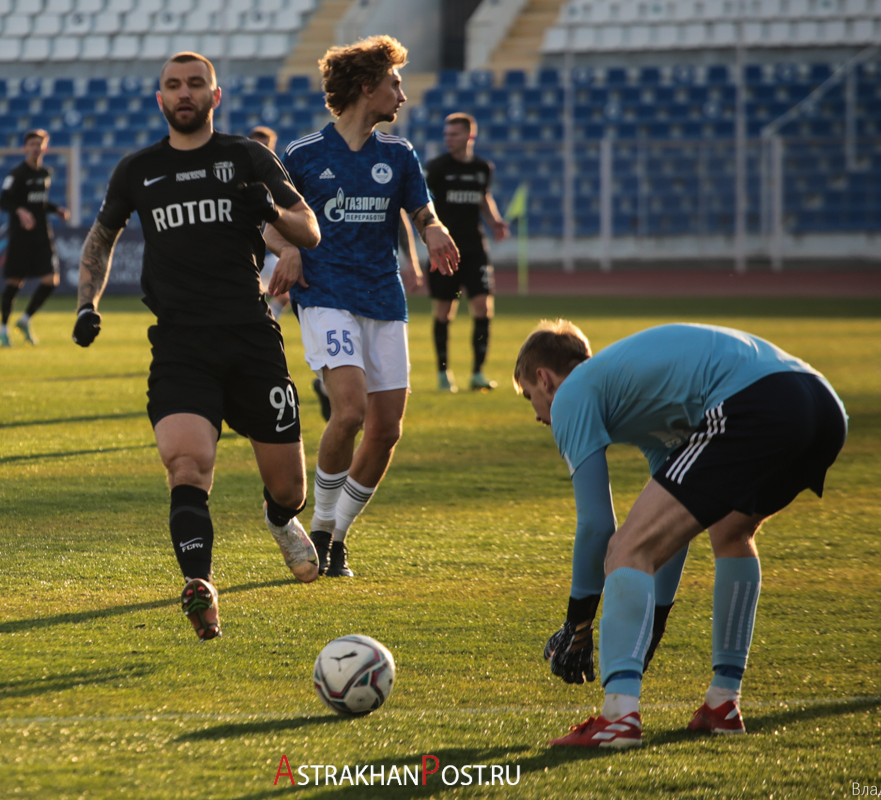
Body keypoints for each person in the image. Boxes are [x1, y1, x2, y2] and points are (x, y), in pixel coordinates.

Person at [71, 52, 323, 642]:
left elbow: (308, 229)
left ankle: (279, 519)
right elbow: (101, 238)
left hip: (251, 340)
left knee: (290, 487)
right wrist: (88, 303)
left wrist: (270, 209)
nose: (183, 93)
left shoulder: (246, 157)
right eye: (172, 85)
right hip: (181, 345)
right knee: (186, 464)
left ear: (215, 96)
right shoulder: (138, 169)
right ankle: (200, 584)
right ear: (160, 99)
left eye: (195, 84)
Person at [514, 320, 847, 748]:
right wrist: (654, 621)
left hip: (759, 401)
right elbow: (674, 531)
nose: (541, 415)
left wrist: (577, 622)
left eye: (530, 398)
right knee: (730, 531)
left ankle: (618, 718)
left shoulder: (573, 391)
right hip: (821, 406)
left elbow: (598, 526)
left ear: (545, 379)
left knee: (625, 548)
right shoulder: (644, 404)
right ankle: (723, 703)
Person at [264, 35, 459, 578]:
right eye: (395, 83)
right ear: (367, 87)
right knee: (348, 410)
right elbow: (269, 222)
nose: (402, 94)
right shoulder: (303, 155)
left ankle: (337, 535)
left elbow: (422, 213)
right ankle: (321, 525)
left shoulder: (398, 154)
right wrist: (290, 253)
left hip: (383, 298)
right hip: (325, 297)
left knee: (387, 429)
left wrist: (436, 232)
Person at [423, 113, 508, 392]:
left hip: (474, 248)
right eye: (447, 134)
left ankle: (477, 373)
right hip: (445, 251)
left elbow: (483, 196)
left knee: (483, 307)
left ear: (470, 136)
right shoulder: (436, 168)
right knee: (444, 312)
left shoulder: (483, 168)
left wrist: (494, 221)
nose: (449, 139)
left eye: (455, 134)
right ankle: (443, 374)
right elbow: (422, 203)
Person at [0, 129, 69, 346]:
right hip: (20, 237)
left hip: (41, 234)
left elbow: (39, 202)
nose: (36, 148)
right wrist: (20, 211)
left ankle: (25, 319)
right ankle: (2, 329)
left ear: (45, 147)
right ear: (25, 148)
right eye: (32, 144)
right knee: (15, 282)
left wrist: (56, 210)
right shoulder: (17, 173)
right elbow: (3, 201)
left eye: (40, 144)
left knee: (51, 280)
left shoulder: (45, 173)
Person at [248, 125, 290, 321]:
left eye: (267, 146)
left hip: (271, 251)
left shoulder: (279, 178)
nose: (263, 150)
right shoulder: (236, 175)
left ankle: (271, 319)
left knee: (292, 286)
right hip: (246, 251)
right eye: (259, 146)